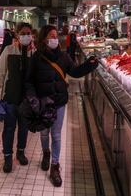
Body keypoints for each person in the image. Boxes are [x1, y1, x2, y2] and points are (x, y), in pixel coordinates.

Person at [25, 25, 98, 187]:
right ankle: (46, 153)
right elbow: (29, 81)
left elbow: (75, 72)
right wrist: (32, 98)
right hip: (42, 103)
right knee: (44, 133)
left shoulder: (64, 57)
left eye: (56, 36)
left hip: (58, 102)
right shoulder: (36, 58)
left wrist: (90, 64)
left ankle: (55, 166)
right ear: (44, 39)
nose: (55, 39)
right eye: (51, 36)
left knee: (56, 134)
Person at [0, 22, 35, 173]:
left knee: (24, 128)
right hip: (10, 98)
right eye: (23, 33)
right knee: (9, 129)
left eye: (28, 33)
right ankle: (8, 157)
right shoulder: (8, 51)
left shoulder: (34, 53)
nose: (26, 36)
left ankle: (20, 152)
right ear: (16, 34)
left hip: (27, 100)